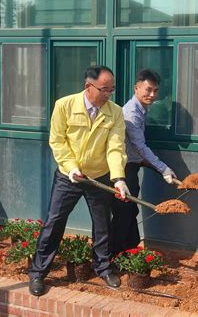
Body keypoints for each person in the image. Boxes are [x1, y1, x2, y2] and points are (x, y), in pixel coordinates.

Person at [27, 65, 130, 296]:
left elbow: (115, 148)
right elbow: (58, 141)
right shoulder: (64, 106)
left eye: (111, 90)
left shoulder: (115, 112)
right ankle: (38, 273)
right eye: (104, 89)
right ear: (88, 87)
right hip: (68, 176)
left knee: (103, 224)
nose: (108, 94)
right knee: (54, 222)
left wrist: (118, 178)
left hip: (99, 177)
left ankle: (103, 267)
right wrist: (71, 167)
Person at [111, 69, 177, 255]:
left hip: (132, 165)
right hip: (123, 169)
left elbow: (137, 149)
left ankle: (130, 251)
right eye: (148, 90)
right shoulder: (132, 113)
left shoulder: (141, 109)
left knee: (130, 211)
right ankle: (114, 255)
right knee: (124, 212)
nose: (152, 95)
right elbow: (140, 146)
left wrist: (154, 165)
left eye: (155, 91)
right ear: (136, 88)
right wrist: (163, 168)